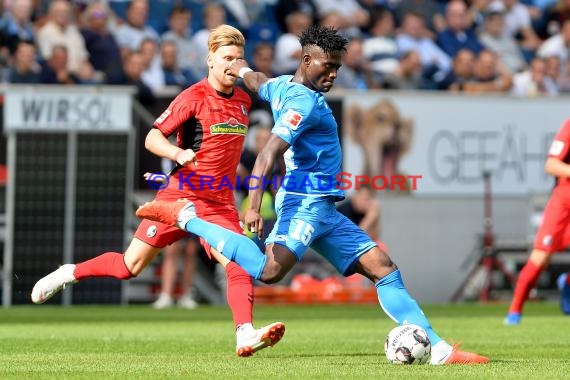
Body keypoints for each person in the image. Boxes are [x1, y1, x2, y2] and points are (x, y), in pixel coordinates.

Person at [137, 25, 489, 365]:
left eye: (338, 67)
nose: (334, 74)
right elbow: (267, 154)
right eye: (328, 66)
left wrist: (242, 69)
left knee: (384, 269)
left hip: (324, 208)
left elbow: (259, 81)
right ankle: (186, 217)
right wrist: (254, 207)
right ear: (306, 61)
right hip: (303, 203)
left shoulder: (281, 86)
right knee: (269, 270)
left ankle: (439, 350)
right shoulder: (302, 104)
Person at [30, 25, 285, 357]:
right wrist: (178, 153)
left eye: (238, 58)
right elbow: (153, 137)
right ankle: (70, 272)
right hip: (180, 197)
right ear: (210, 59)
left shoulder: (242, 100)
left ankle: (244, 333)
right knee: (128, 267)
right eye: (226, 58)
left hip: (220, 202)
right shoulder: (192, 96)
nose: (233, 65)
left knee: (236, 263)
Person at [505, 118, 570, 324]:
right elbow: (551, 165)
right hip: (563, 204)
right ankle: (515, 310)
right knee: (540, 257)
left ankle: (567, 283)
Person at [152, 236, 199, 309]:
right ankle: (166, 296)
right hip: (174, 224)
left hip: (193, 226)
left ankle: (186, 296)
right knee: (171, 251)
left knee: (190, 251)